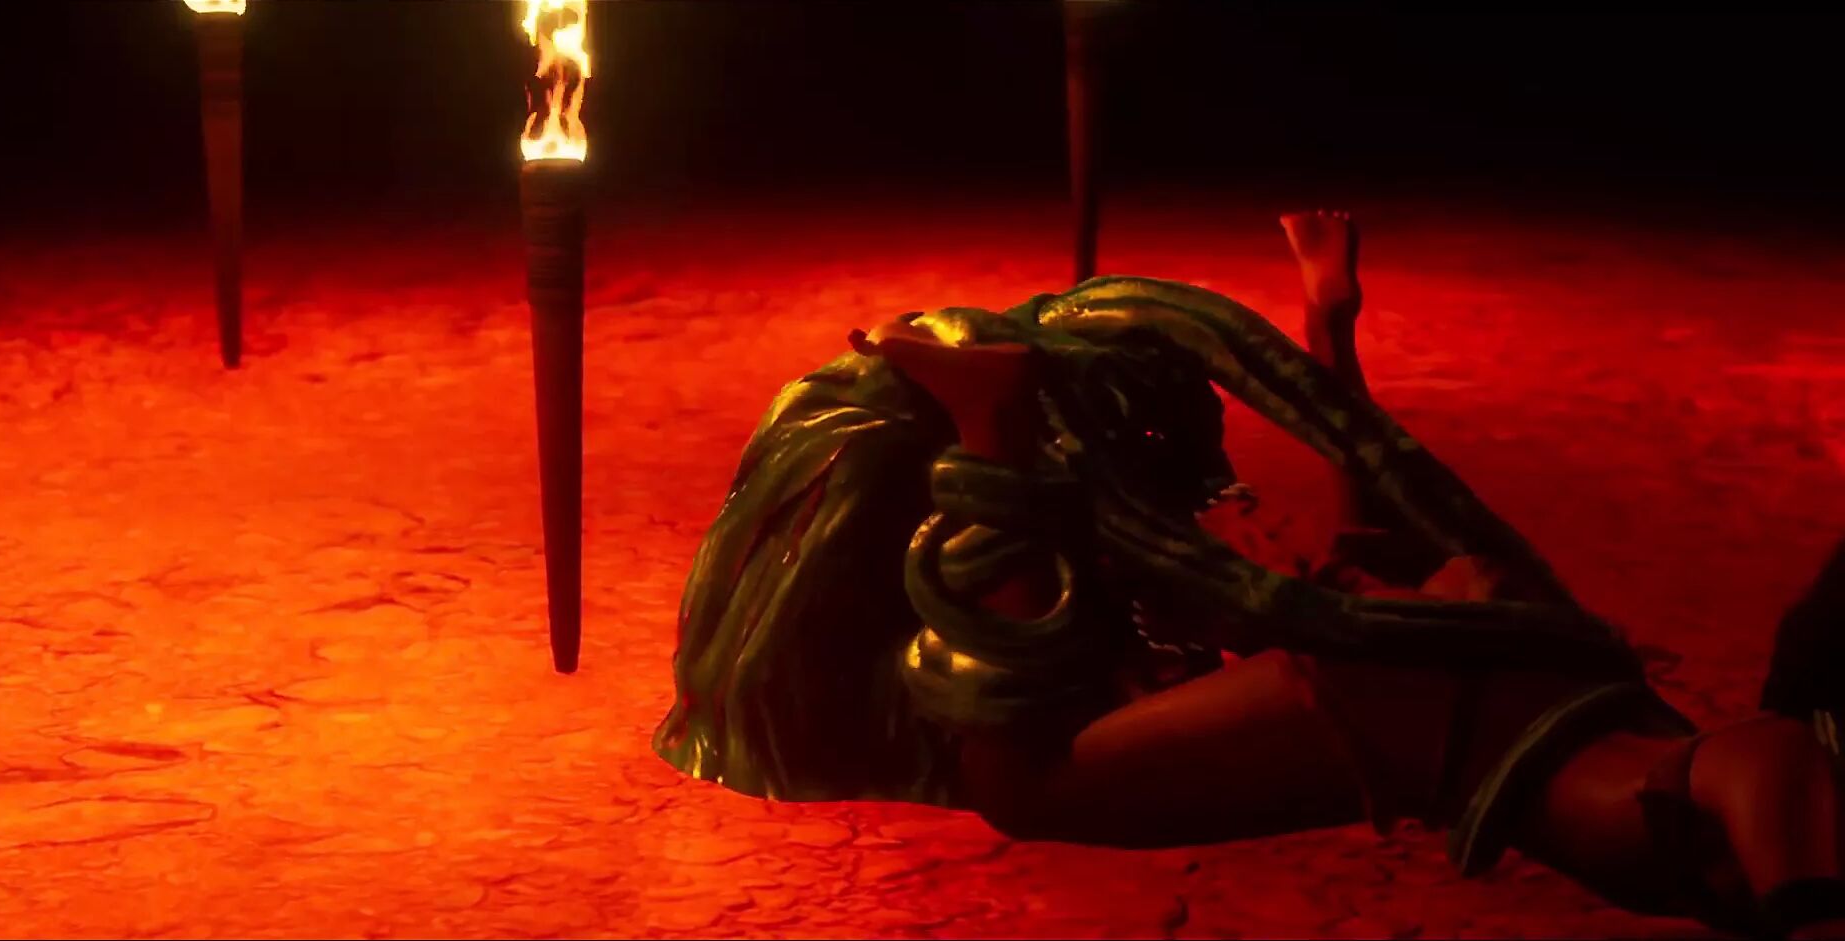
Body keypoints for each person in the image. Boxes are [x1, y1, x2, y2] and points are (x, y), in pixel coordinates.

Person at [653, 211, 1845, 938]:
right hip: (1440, 710)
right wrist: (1330, 326)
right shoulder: (1723, 755)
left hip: (1442, 716)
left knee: (1028, 777)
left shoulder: (1695, 768)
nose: (1246, 510)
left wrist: (1001, 439)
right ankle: (998, 433)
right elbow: (1374, 501)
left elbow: (1369, 529)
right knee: (1031, 775)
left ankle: (998, 433)